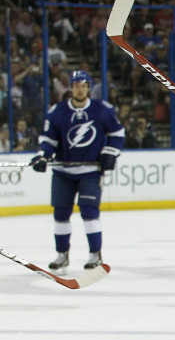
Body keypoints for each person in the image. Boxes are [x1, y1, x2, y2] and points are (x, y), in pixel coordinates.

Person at [30, 70, 124, 273]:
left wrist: (109, 152)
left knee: (89, 213)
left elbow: (117, 134)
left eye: (83, 85)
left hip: (90, 171)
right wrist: (43, 156)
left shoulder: (102, 110)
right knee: (61, 214)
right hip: (63, 171)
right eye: (76, 85)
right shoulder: (57, 111)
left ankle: (94, 256)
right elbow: (48, 139)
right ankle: (62, 255)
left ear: (88, 88)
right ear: (71, 87)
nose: (79, 89)